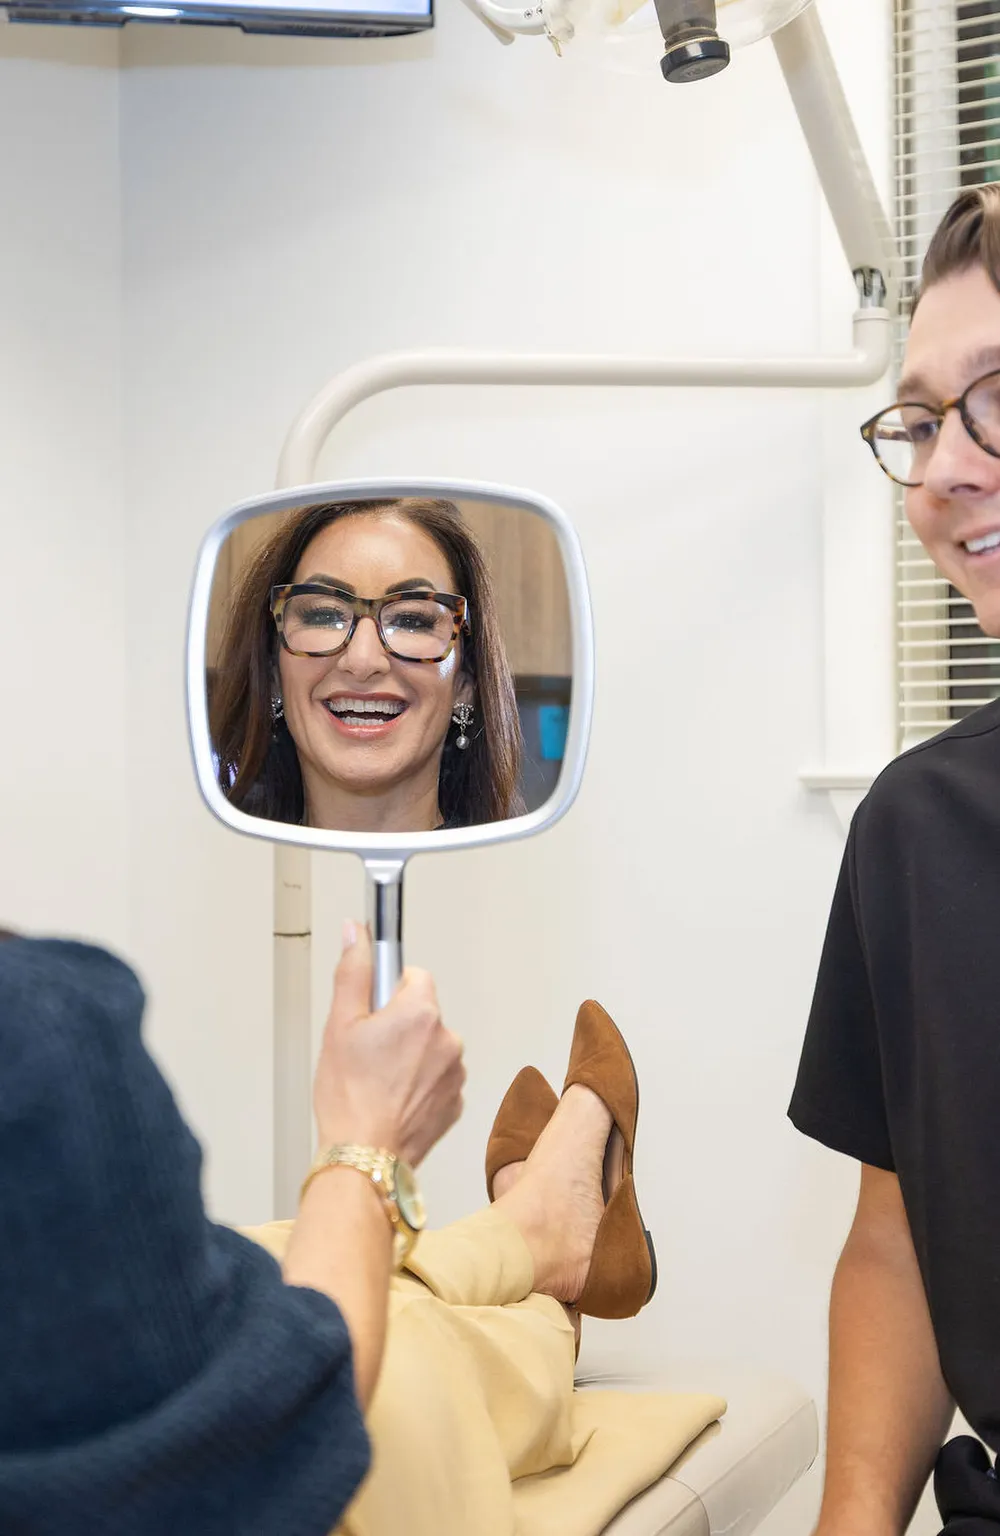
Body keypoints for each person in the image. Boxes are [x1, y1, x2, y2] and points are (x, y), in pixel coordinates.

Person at [0, 924, 724, 1536]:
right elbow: (280, 1414)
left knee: (275, 1251)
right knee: (401, 1345)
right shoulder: (43, 1027)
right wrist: (363, 1145)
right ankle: (548, 1298)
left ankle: (528, 1236)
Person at [789, 182, 1000, 1536]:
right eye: (920, 424)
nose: (941, 472)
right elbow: (898, 1242)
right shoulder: (917, 832)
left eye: (993, 399)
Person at [210, 498, 524, 833]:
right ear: (273, 673)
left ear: (465, 682)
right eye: (324, 615)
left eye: (410, 620)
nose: (362, 661)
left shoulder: (526, 867)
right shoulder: (206, 863)